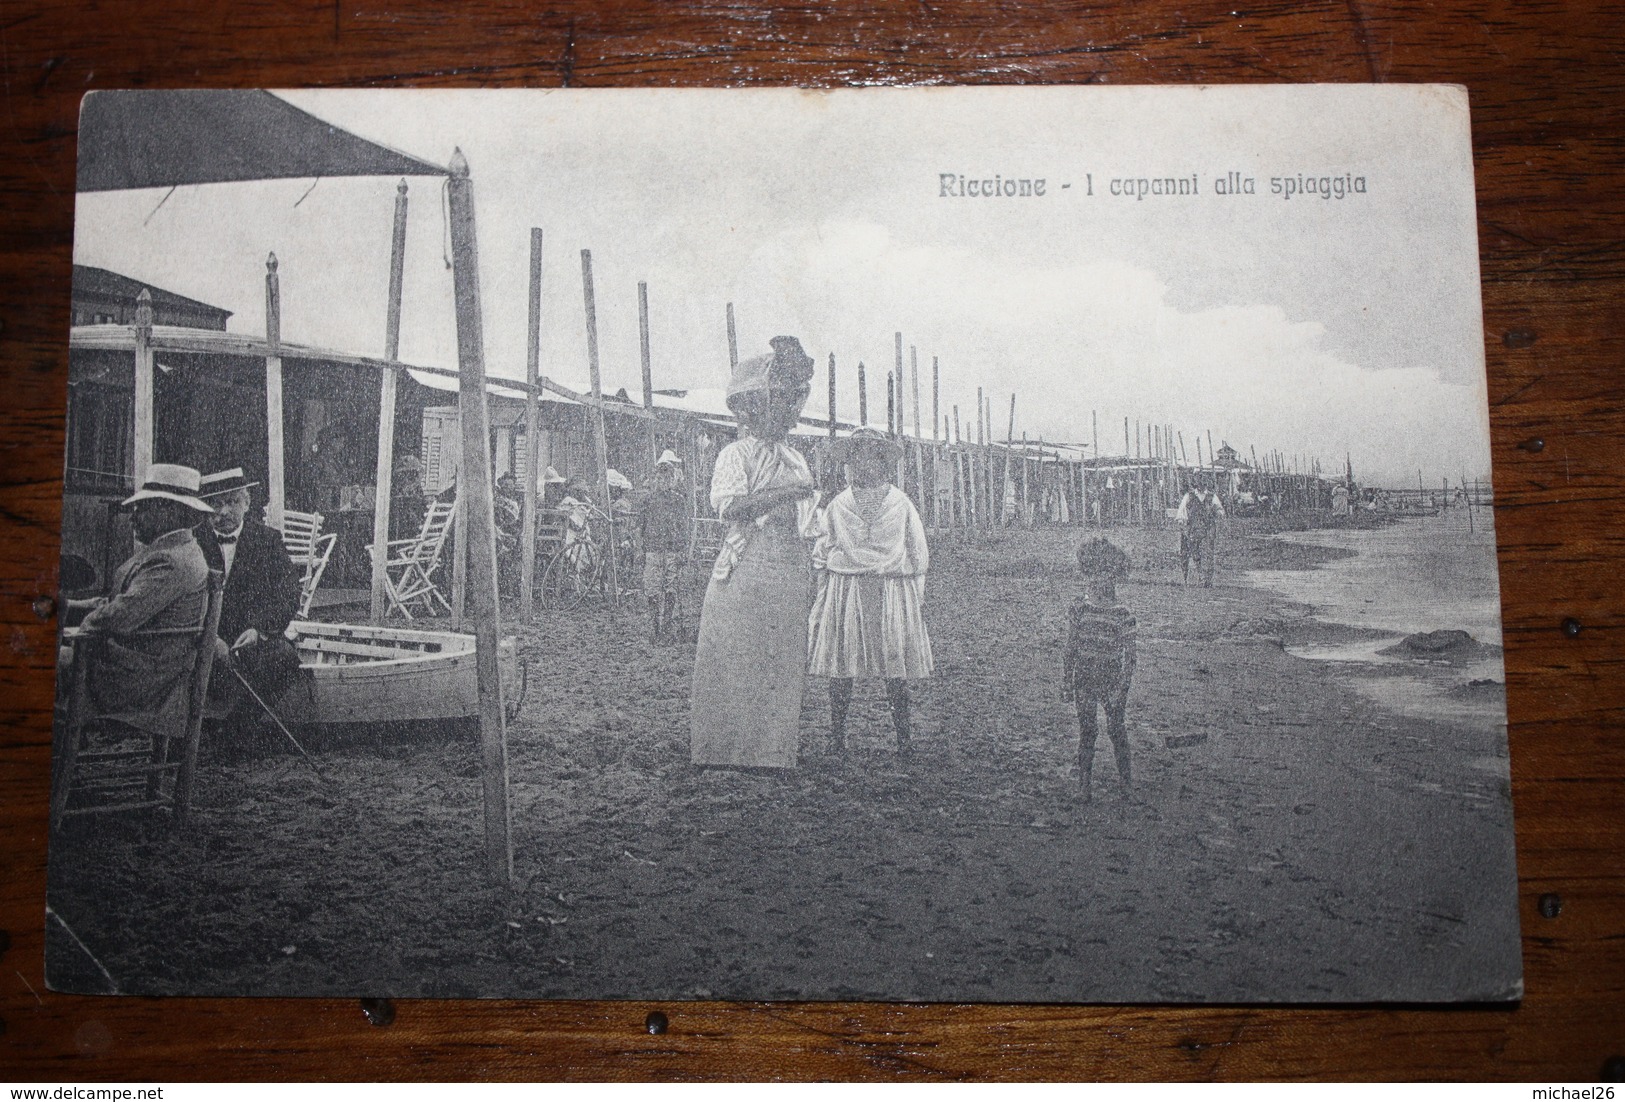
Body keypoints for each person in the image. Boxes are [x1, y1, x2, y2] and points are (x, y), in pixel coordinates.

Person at [690, 335, 818, 770]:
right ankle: (723, 752)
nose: (789, 414)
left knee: (779, 656)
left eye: (792, 404)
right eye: (780, 404)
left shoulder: (796, 458)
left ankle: (772, 752)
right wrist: (785, 494)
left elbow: (808, 523)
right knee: (736, 655)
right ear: (755, 410)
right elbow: (732, 508)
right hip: (747, 566)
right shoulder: (735, 454)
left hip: (787, 567)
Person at [64, 464, 215, 743]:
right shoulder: (173, 551)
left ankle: (59, 765)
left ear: (169, 512)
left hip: (136, 681)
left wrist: (79, 628)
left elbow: (121, 616)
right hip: (134, 668)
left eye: (142, 509)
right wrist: (72, 607)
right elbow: (120, 602)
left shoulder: (171, 561)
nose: (133, 517)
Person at [808, 428, 933, 759]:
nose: (862, 465)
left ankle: (903, 741)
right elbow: (822, 551)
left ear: (882, 463)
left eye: (870, 457)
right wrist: (823, 600)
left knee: (895, 669)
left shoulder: (901, 504)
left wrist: (914, 598)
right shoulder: (837, 506)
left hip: (890, 589)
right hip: (847, 590)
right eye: (855, 458)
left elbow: (918, 554)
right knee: (841, 666)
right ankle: (837, 737)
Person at [195, 468, 303, 723]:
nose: (222, 512)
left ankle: (239, 725)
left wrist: (259, 630)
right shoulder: (193, 541)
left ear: (246, 503)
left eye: (232, 502)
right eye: (215, 504)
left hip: (249, 639)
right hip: (202, 636)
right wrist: (208, 635)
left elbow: (288, 592)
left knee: (284, 658)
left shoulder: (267, 539)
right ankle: (197, 727)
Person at [1061, 538, 1137, 801]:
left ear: (1116, 577)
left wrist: (1122, 690)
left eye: (1106, 574)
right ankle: (1084, 787)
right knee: (1087, 732)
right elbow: (1070, 647)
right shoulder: (1079, 609)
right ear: (1087, 574)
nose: (1099, 580)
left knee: (1117, 730)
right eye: (1093, 573)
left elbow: (1131, 659)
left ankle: (1127, 785)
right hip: (1084, 678)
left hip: (1112, 679)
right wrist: (1065, 682)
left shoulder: (1123, 614)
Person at [640, 451, 690, 642]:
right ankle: (655, 625)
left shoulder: (679, 501)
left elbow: (684, 528)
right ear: (654, 479)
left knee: (671, 588)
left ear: (672, 480)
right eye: (660, 478)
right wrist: (640, 549)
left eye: (667, 478)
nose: (663, 482)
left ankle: (668, 623)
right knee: (652, 589)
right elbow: (640, 527)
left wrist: (684, 550)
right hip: (652, 549)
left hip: (672, 550)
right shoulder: (647, 500)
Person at [1176, 474, 1226, 587]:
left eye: (1204, 483)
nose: (1202, 485)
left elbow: (1220, 511)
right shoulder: (1189, 496)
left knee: (1208, 553)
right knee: (1195, 554)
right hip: (1193, 529)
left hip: (1208, 530)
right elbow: (1181, 511)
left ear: (1207, 484)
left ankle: (1208, 580)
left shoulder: (1212, 497)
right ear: (1196, 484)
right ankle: (1200, 577)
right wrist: (1182, 523)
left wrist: (1217, 512)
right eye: (1199, 483)